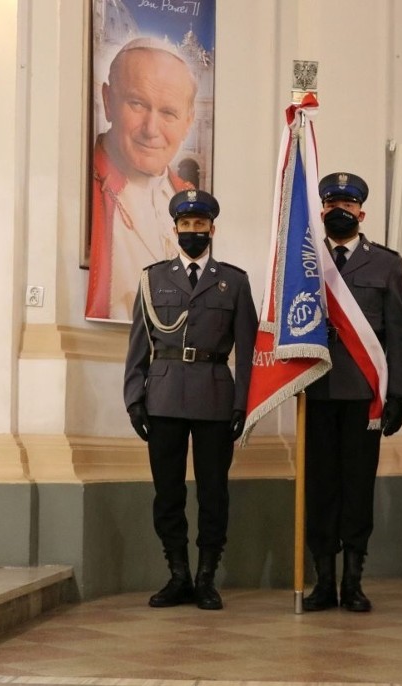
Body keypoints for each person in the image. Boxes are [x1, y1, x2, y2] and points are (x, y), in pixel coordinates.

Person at [123, 189, 258, 611]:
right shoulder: (153, 278)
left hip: (216, 397)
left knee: (213, 493)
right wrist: (133, 398)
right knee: (168, 492)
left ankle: (206, 577)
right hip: (162, 397)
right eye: (186, 226)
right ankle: (178, 574)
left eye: (201, 226)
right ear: (175, 229)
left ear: (212, 229)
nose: (193, 233)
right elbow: (138, 345)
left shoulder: (233, 281)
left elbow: (248, 348)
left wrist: (242, 404)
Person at [302, 172, 402, 613]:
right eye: (332, 206)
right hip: (317, 391)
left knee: (357, 489)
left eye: (348, 207)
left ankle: (353, 581)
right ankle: (323, 581)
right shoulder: (305, 261)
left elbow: (398, 335)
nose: (340, 212)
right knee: (320, 490)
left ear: (361, 214)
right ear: (322, 211)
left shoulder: (386, 263)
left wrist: (399, 394)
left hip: (365, 395)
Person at [88, 37, 199, 322]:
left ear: (188, 121)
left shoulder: (187, 199)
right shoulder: (85, 183)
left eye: (169, 113)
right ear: (108, 101)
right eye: (137, 104)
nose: (151, 129)